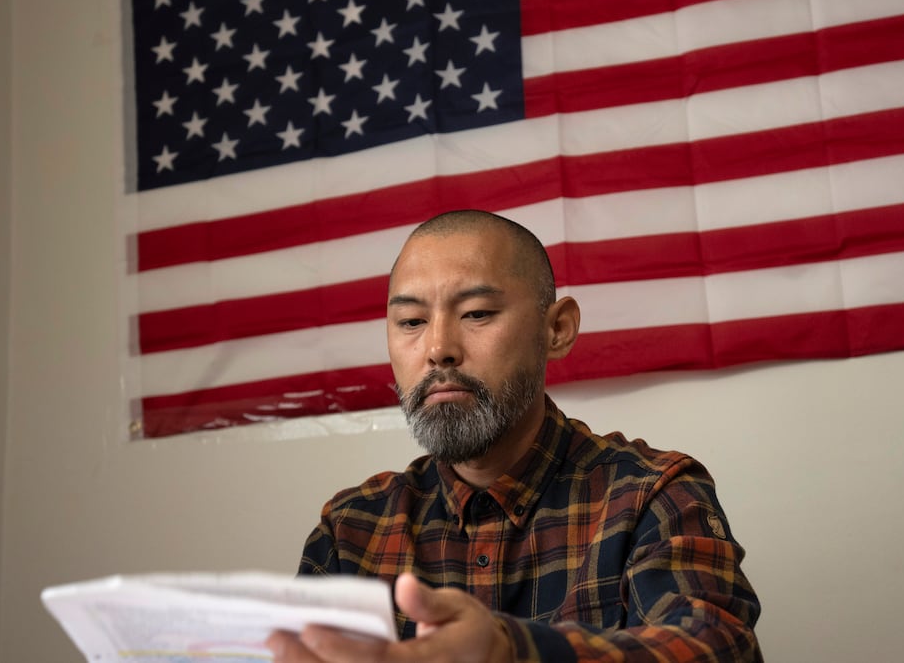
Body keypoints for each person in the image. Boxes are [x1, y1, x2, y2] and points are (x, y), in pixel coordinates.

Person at [267, 210, 762, 662]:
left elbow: (716, 646)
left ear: (558, 329)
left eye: (477, 313)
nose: (438, 349)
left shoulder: (653, 493)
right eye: (412, 321)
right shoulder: (352, 529)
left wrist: (510, 652)